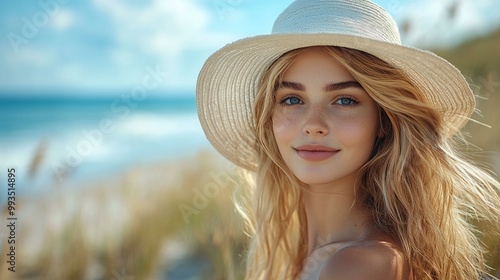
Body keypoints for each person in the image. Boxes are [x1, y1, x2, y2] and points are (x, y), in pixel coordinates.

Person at [196, 0, 500, 279]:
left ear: (383, 119)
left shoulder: (357, 266)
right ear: (269, 116)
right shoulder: (315, 257)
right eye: (291, 100)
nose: (313, 125)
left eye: (344, 100)